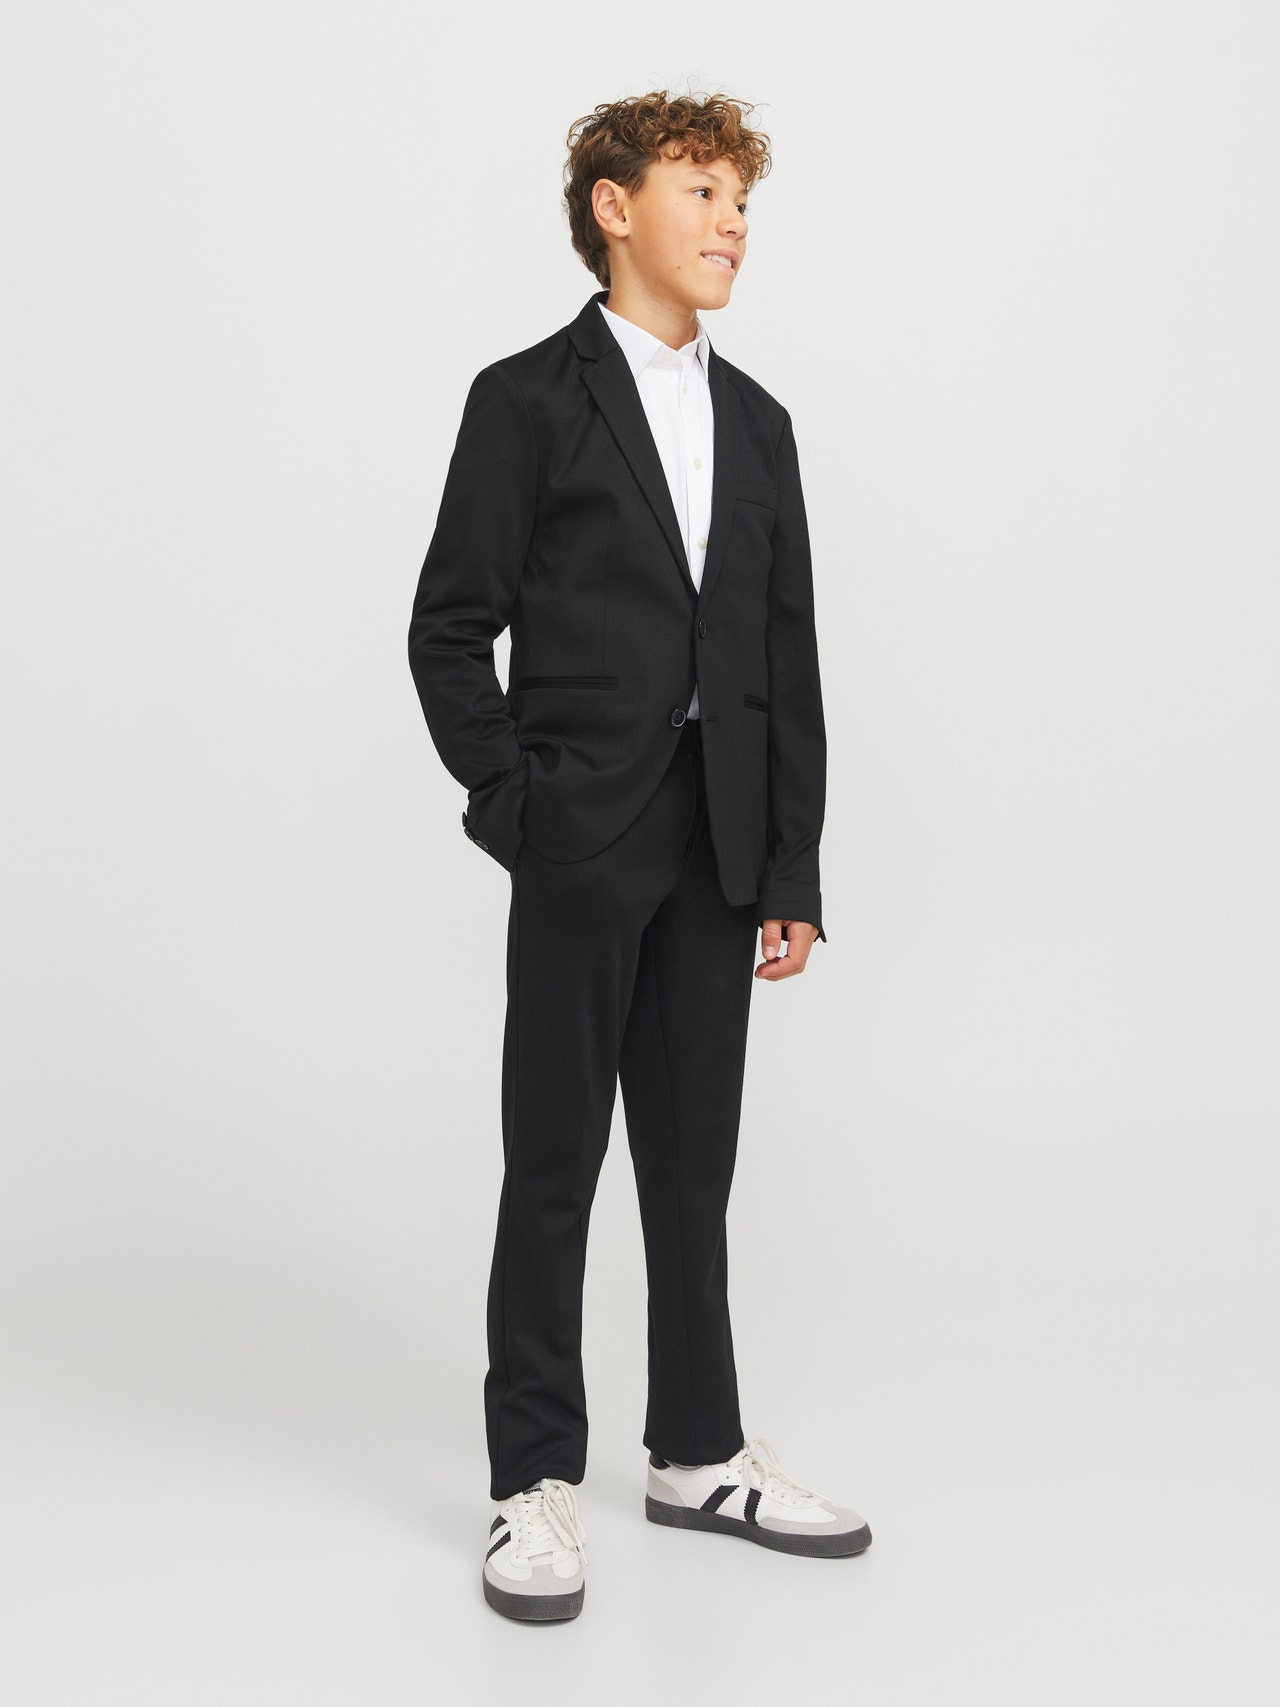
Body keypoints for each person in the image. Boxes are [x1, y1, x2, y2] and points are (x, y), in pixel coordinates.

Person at [407, 88, 871, 1623]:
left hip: (718, 846)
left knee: (693, 1169)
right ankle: (532, 1478)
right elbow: (450, 625)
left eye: (743, 200)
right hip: (581, 836)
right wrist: (517, 807)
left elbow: (787, 661)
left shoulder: (762, 424)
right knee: (554, 1164)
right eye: (701, 190)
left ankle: (698, 1452)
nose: (732, 221)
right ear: (615, 210)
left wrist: (791, 870)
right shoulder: (527, 401)